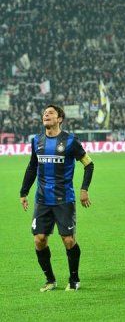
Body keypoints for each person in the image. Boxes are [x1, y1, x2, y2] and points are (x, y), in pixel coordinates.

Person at [19, 104, 94, 292]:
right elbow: (32, 167)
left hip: (64, 199)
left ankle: (74, 279)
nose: (46, 114)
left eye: (51, 113)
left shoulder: (70, 141)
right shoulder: (37, 141)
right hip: (42, 199)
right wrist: (23, 192)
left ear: (59, 118)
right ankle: (50, 280)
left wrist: (84, 189)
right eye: (44, 112)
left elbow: (89, 164)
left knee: (68, 240)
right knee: (39, 240)